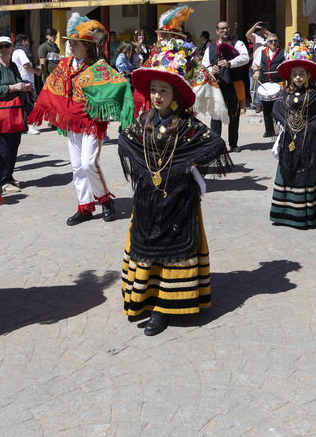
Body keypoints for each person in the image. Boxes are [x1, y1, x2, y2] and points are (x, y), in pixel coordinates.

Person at [118, 47, 232, 336]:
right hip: (147, 197)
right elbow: (125, 142)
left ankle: (165, 308)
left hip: (178, 200)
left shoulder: (187, 126)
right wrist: (147, 169)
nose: (157, 96)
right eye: (154, 90)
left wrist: (182, 166)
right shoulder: (143, 121)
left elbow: (215, 145)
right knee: (145, 244)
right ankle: (146, 298)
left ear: (175, 95)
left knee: (174, 249)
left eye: (163, 91)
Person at [30, 14, 134, 225]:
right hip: (72, 123)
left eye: (75, 43)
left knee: (88, 164)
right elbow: (51, 85)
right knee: (77, 166)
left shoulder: (99, 66)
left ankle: (105, 201)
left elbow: (119, 84)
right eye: (69, 43)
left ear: (87, 46)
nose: (71, 47)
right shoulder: (65, 65)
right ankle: (84, 206)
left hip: (92, 122)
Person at [268, 40, 316, 228]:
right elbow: (276, 109)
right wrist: (287, 124)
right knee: (288, 171)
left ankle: (313, 213)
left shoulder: (315, 94)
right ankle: (286, 213)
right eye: (294, 74)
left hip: (310, 141)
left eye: (301, 74)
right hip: (289, 139)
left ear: (308, 76)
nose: (298, 77)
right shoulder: (284, 94)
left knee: (310, 173)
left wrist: (311, 125)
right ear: (290, 76)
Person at [0, 37, 30, 195]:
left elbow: (18, 81)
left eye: (7, 46)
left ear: (11, 48)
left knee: (13, 145)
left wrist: (24, 85)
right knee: (3, 148)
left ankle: (9, 177)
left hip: (14, 109)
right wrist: (12, 87)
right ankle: (2, 182)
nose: (4, 49)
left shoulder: (13, 65)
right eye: (0, 46)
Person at [202, 18, 250, 152]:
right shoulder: (210, 48)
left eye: (226, 28)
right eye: (221, 28)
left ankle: (233, 144)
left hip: (234, 84)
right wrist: (211, 69)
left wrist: (230, 63)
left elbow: (245, 58)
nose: (224, 30)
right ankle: (216, 145)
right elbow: (204, 65)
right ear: (217, 31)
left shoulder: (238, 43)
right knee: (216, 116)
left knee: (234, 115)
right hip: (217, 86)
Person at [251, 33, 284, 137]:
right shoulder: (261, 53)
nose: (273, 43)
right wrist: (256, 72)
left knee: (280, 108)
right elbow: (255, 65)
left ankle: (282, 129)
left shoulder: (284, 52)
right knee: (266, 109)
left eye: (275, 41)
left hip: (279, 84)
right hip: (265, 84)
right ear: (267, 43)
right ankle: (269, 130)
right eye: (271, 41)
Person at [11, 33, 41, 135]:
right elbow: (26, 65)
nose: (29, 44)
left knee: (24, 104)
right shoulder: (21, 52)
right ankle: (31, 126)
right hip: (26, 81)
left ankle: (24, 125)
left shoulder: (15, 51)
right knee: (29, 104)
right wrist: (36, 71)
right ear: (24, 41)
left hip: (22, 80)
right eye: (28, 41)